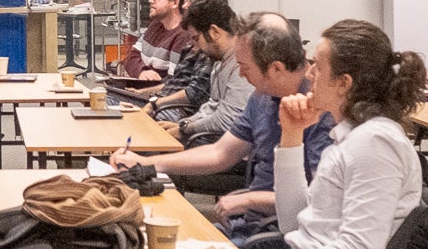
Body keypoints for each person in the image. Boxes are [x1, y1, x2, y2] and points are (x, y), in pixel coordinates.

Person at [225, 20, 428, 249]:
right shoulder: (351, 137)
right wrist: (292, 135)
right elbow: (294, 224)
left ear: (343, 83)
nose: (308, 74)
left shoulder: (375, 145)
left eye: (317, 67)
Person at [111, 13, 330, 236]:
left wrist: (250, 199)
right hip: (252, 222)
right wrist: (146, 164)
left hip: (283, 234)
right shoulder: (261, 98)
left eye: (245, 67)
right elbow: (220, 153)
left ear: (275, 68)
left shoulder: (320, 112)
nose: (242, 74)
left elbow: (318, 200)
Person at [161, 0, 254, 144]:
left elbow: (227, 121)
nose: (195, 47)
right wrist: (182, 124)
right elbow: (212, 107)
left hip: (227, 148)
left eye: (196, 39)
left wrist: (185, 129)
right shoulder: (220, 61)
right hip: (213, 140)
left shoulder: (241, 65)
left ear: (214, 32)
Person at [145, 0, 222, 122]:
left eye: (191, 1)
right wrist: (142, 93)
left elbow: (195, 93)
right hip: (164, 103)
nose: (185, 5)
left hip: (177, 110)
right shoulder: (191, 43)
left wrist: (155, 103)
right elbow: (174, 82)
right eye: (186, 0)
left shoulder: (210, 47)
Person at [125, 0, 193, 78]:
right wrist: (142, 72)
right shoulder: (155, 25)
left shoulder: (183, 36)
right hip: (143, 89)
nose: (150, 0)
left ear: (175, 3)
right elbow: (130, 58)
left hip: (158, 92)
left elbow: (174, 81)